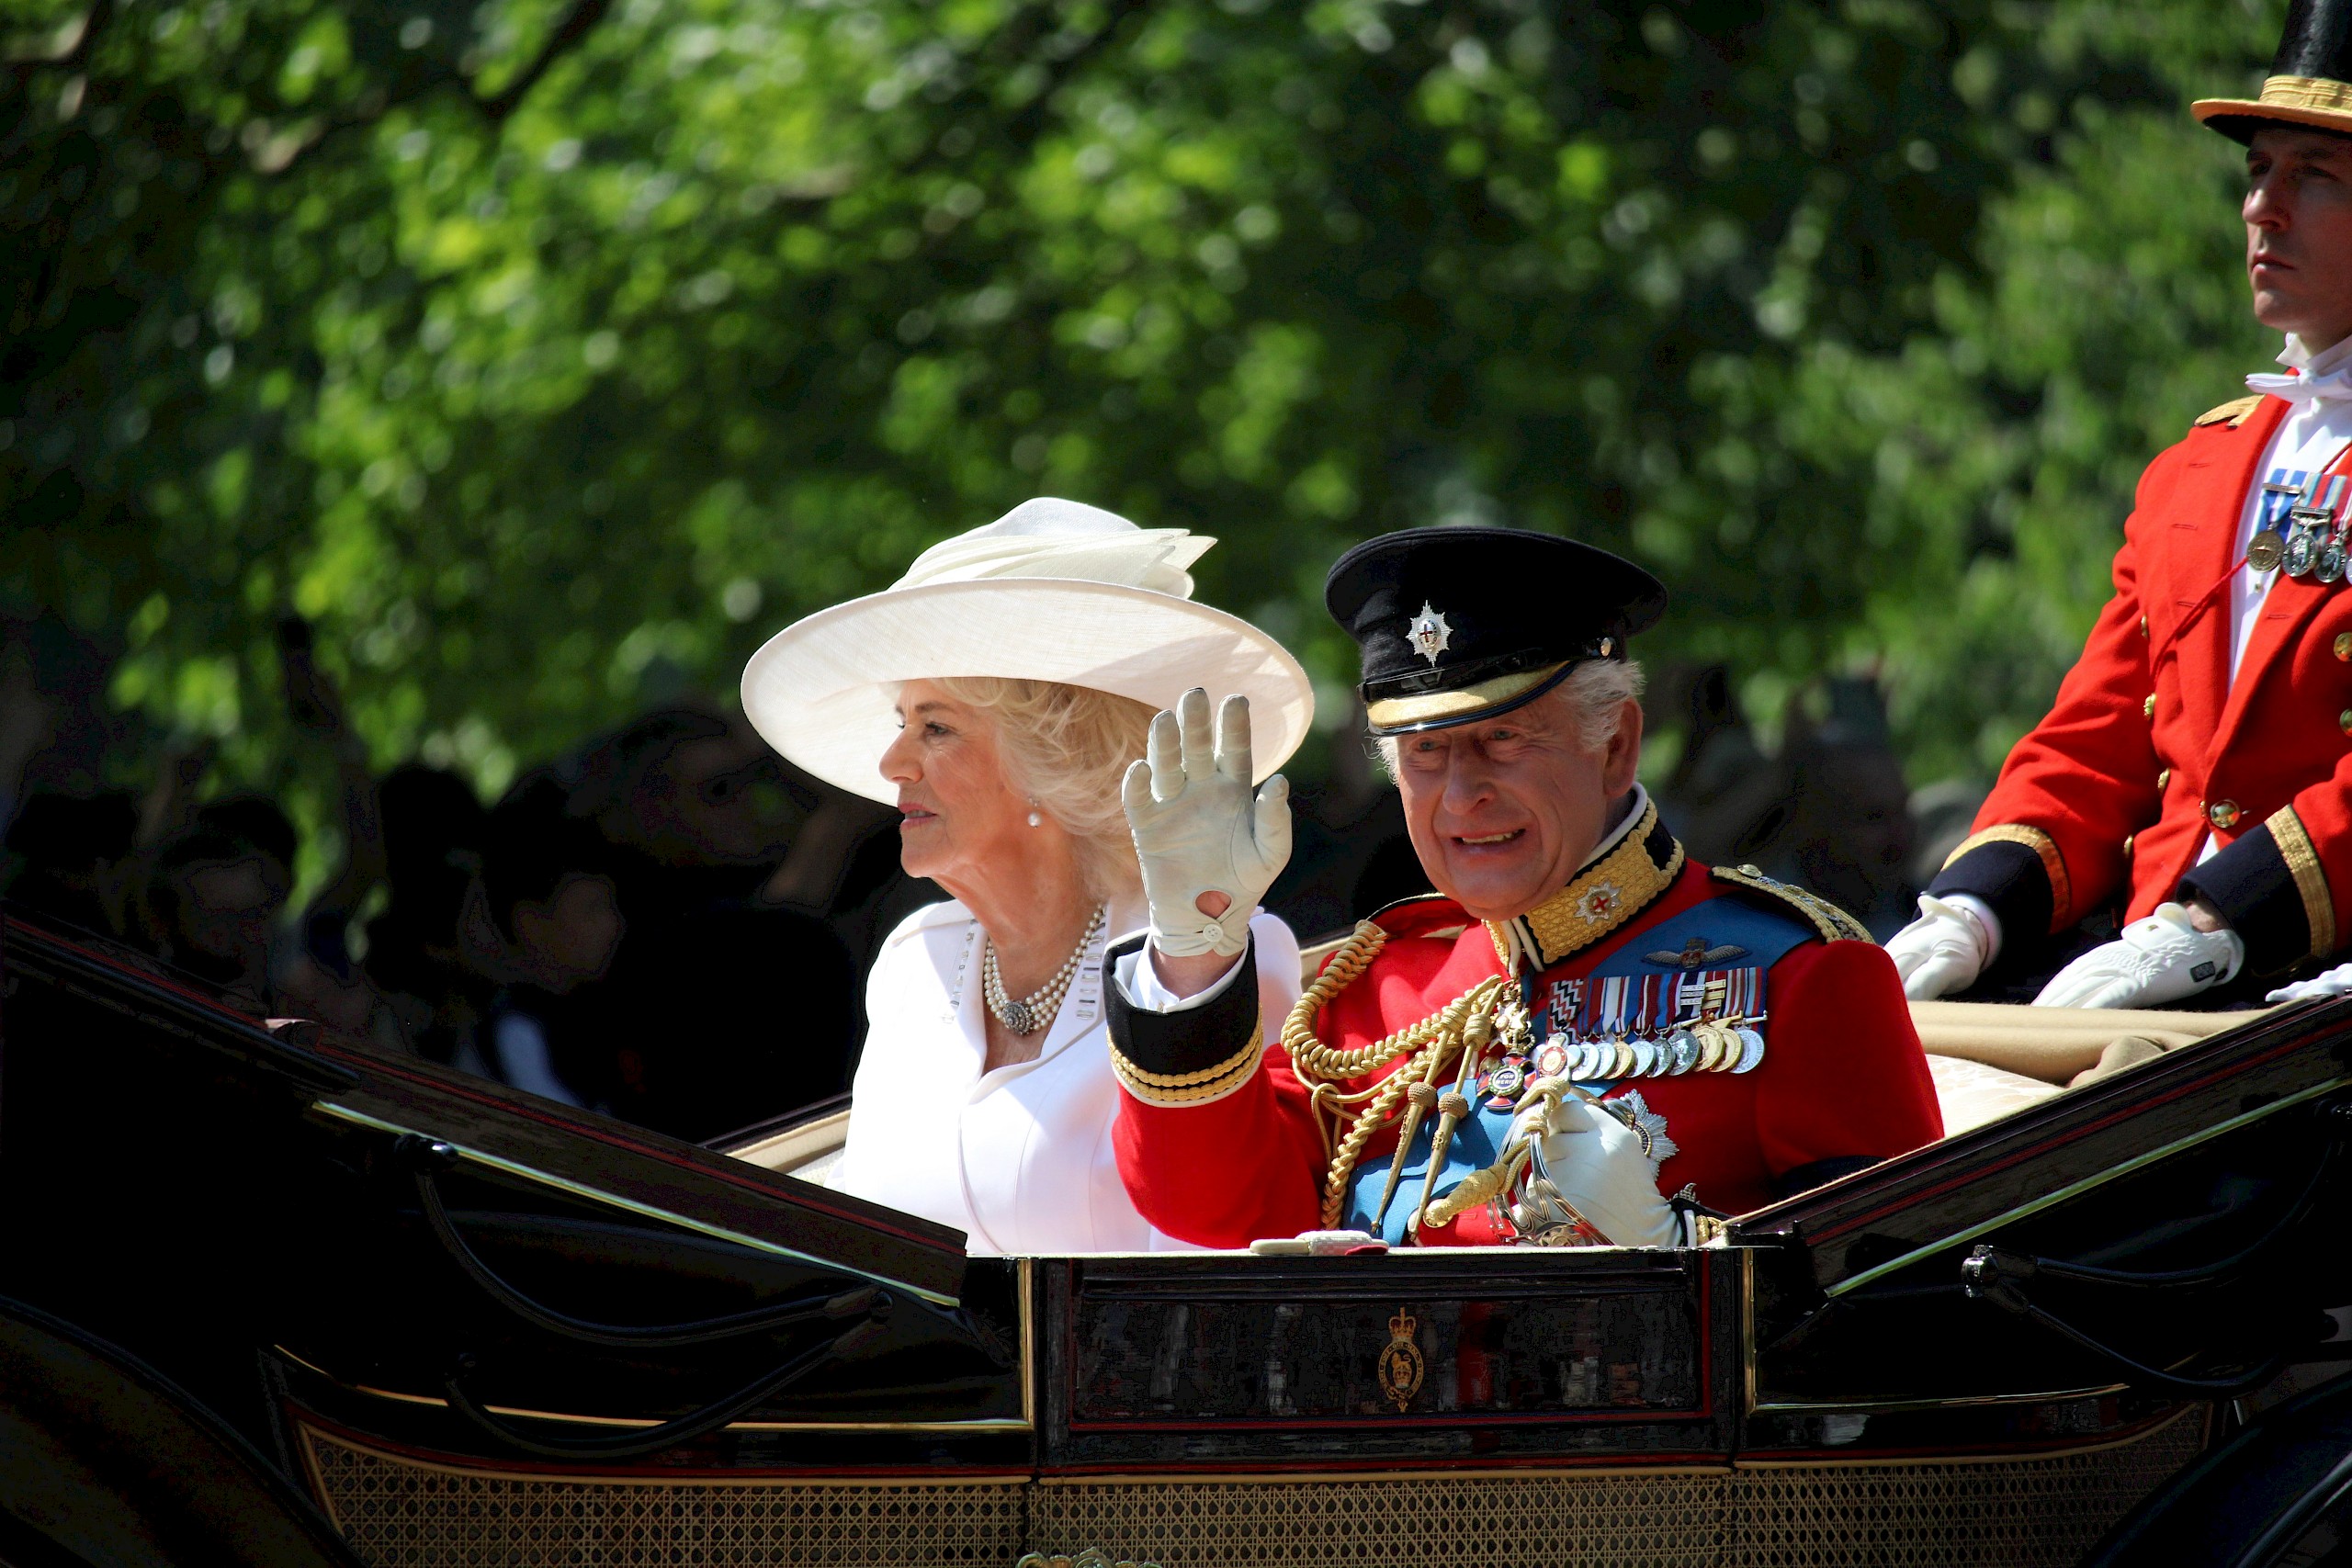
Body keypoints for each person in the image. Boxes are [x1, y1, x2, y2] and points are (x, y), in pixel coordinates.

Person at [1104, 527, 1940, 1250]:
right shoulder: (1376, 991)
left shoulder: (1798, 975)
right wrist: (1195, 954)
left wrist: (1683, 1245)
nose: (1462, 795)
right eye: (1425, 753)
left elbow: (1888, 1304)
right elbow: (1208, 1204)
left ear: (1615, 746)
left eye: (1503, 739)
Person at [1890, 2, 2352, 1010]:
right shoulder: (2196, 466)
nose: (2260, 209)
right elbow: (2096, 736)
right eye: (2256, 172)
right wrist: (1972, 909)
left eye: (2312, 177)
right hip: (2156, 995)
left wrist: (2220, 919)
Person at [740, 497, 1316, 1254]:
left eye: (935, 727)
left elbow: (1216, 1259)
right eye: (900, 722)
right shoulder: (915, 962)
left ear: (1056, 758)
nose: (890, 764)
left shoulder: (1196, 959)